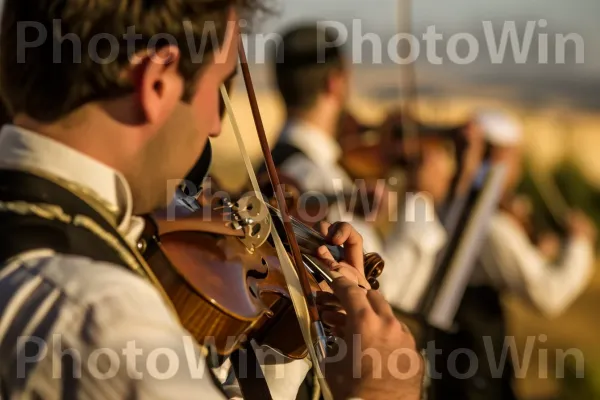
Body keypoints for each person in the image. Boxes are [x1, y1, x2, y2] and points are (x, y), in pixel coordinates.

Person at [0, 1, 423, 399]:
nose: (217, 127)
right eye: (220, 88)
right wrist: (379, 391)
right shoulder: (104, 319)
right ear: (157, 83)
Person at [265, 23, 455, 316]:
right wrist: (422, 200)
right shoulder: (315, 178)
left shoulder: (274, 164)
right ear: (335, 83)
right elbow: (384, 293)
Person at [428, 109, 597, 400]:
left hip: (454, 353)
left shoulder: (452, 201)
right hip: (475, 359)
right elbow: (548, 294)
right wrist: (579, 245)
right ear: (501, 158)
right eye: (515, 157)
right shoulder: (490, 222)